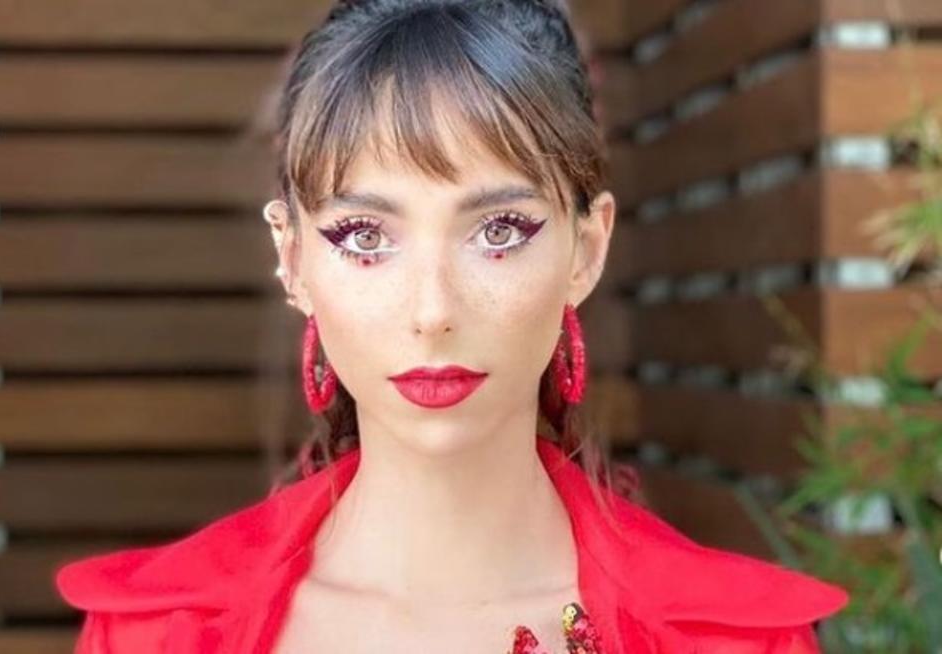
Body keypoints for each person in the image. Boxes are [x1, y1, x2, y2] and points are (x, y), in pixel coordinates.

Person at [54, 1, 850, 651]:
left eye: (498, 230)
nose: (433, 311)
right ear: (293, 260)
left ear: (587, 248)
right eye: (364, 236)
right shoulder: (156, 633)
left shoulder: (733, 641)